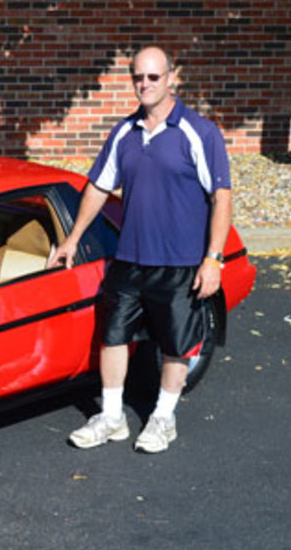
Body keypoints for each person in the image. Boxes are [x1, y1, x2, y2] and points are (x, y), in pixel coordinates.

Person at [49, 46, 232, 453]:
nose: (144, 85)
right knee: (113, 336)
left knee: (175, 343)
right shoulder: (124, 133)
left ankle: (163, 418)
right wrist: (73, 238)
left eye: (153, 77)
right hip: (129, 257)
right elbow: (98, 186)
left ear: (171, 78)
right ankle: (112, 417)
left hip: (180, 261)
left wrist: (213, 258)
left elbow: (221, 196)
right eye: (137, 77)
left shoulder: (199, 132)